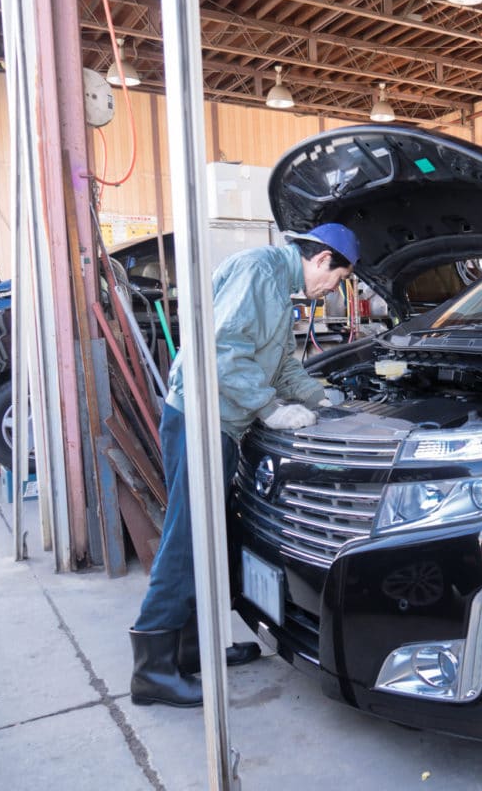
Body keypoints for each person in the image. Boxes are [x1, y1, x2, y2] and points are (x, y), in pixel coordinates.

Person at [129, 223, 361, 708]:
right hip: (201, 418)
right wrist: (271, 410)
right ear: (321, 260)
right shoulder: (259, 272)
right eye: (336, 280)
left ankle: (189, 648)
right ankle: (151, 668)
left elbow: (280, 367)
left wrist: (326, 398)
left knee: (208, 539)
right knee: (186, 539)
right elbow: (222, 353)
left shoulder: (279, 286)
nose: (331, 291)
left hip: (223, 421)